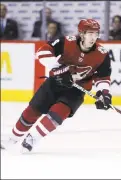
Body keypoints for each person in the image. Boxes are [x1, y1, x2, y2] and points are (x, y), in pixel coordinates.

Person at [2, 19, 112, 152]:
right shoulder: (66, 42)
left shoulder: (102, 54)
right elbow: (42, 52)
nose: (94, 37)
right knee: (32, 111)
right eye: (90, 33)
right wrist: (60, 70)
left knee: (58, 114)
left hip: (76, 91)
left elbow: (103, 77)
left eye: (96, 34)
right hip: (55, 83)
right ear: (81, 34)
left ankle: (33, 138)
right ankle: (12, 138)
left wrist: (104, 94)